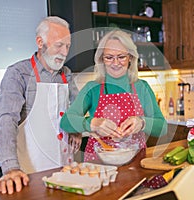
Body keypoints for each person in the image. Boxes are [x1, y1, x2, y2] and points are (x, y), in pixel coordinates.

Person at [0, 16, 81, 194]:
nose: (64, 52)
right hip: (31, 172)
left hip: (66, 168)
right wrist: (10, 168)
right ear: (40, 42)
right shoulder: (18, 73)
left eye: (67, 46)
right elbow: (6, 121)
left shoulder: (66, 74)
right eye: (59, 45)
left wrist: (75, 128)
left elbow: (76, 108)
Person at [60, 29, 167, 161]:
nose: (115, 63)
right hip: (99, 165)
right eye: (109, 57)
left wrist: (142, 123)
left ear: (130, 58)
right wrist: (92, 123)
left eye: (121, 57)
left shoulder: (142, 87)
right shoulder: (92, 89)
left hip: (135, 162)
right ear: (101, 60)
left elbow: (163, 127)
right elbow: (66, 121)